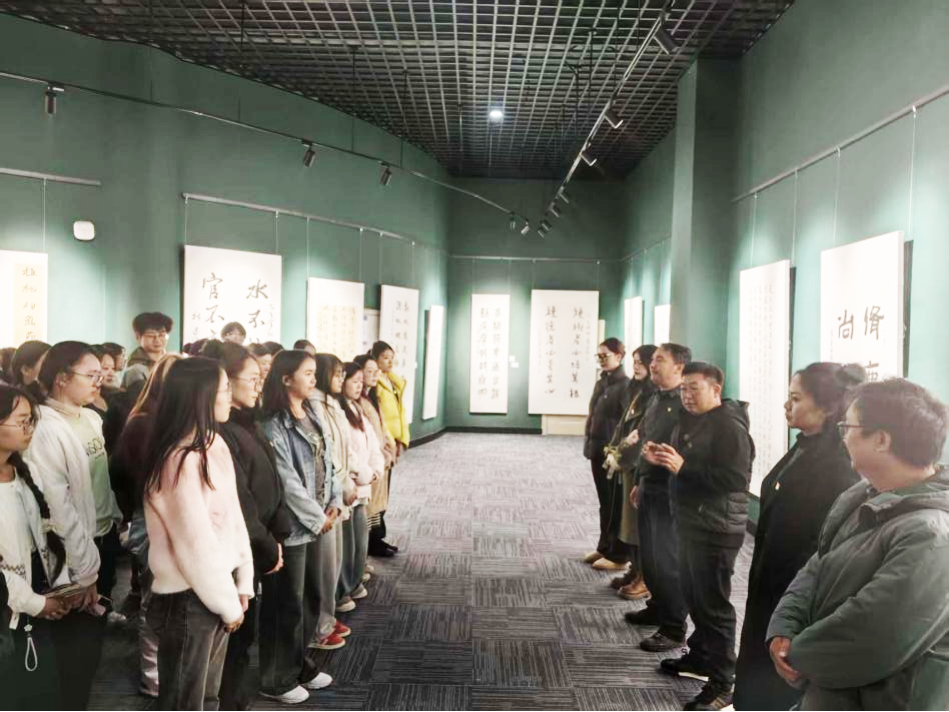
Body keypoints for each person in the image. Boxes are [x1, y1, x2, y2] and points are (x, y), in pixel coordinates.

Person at [768, 378, 949, 710]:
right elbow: (818, 565)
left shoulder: (932, 535)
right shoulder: (862, 494)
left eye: (847, 427)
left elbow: (874, 635)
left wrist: (797, 654)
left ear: (881, 439)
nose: (843, 436)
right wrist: (784, 627)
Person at [733, 363, 863, 710]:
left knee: (777, 682)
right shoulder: (804, 446)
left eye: (796, 398)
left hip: (795, 590)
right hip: (771, 579)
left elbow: (823, 547)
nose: (786, 405)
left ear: (827, 408)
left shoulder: (837, 467)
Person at [142, 357, 253, 711]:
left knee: (207, 697)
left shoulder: (213, 443)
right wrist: (227, 604)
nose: (230, 396)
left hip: (217, 588)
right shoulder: (178, 459)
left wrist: (243, 580)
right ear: (200, 396)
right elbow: (195, 545)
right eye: (224, 389)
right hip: (189, 597)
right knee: (184, 702)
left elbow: (233, 517)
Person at [643, 363, 754, 710]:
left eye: (694, 389)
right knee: (693, 594)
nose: (687, 396)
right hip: (692, 521)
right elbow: (685, 466)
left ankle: (723, 681)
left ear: (715, 390)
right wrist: (661, 461)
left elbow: (735, 479)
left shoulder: (730, 426)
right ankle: (701, 657)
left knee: (713, 605)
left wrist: (683, 468)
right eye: (684, 389)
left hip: (717, 528)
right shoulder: (691, 420)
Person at [25, 341, 116, 707]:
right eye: (91, 375)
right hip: (73, 554)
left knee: (91, 642)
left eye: (100, 375)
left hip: (103, 540)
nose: (99, 382)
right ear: (61, 378)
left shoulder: (91, 418)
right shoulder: (46, 428)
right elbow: (59, 507)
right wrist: (83, 572)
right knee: (74, 651)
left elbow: (98, 483)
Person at [211, 342, 299, 710]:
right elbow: (240, 501)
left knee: (243, 639)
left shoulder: (244, 422)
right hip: (240, 550)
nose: (258, 386)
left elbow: (267, 481)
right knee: (232, 644)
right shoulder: (219, 433)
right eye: (251, 379)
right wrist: (266, 545)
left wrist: (276, 532)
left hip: (257, 544)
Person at [258, 351, 343, 704]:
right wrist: (317, 517)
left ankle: (297, 664)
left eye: (313, 372)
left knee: (312, 597)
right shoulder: (272, 423)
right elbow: (287, 480)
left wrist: (336, 500)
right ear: (285, 378)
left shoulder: (312, 411)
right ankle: (275, 678)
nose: (313, 379)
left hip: (319, 519)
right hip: (294, 526)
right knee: (286, 604)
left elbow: (330, 460)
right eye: (307, 373)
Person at [109, 354, 181, 699]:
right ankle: (153, 677)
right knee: (156, 602)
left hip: (172, 522)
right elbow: (138, 482)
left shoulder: (173, 419)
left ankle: (168, 671)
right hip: (151, 521)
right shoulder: (143, 422)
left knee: (172, 603)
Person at [0, 383, 71, 709]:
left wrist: (58, 589)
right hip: (12, 611)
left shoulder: (22, 472)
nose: (30, 429)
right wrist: (36, 603)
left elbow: (43, 538)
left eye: (32, 421)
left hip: (31, 609)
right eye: (22, 421)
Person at [624, 343, 690, 653]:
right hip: (649, 486)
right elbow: (646, 444)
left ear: (679, 367)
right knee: (650, 557)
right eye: (652, 360)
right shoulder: (655, 397)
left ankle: (674, 628)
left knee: (668, 561)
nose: (652, 364)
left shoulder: (684, 404)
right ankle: (657, 608)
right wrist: (640, 480)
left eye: (659, 360)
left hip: (670, 491)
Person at [603, 344, 657, 600]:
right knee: (627, 525)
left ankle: (643, 577)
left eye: (640, 362)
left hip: (637, 467)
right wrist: (613, 450)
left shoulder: (655, 396)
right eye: (634, 361)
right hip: (626, 465)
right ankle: (634, 569)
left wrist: (622, 458)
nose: (636, 366)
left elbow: (643, 436)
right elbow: (624, 426)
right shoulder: (637, 391)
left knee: (637, 526)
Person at [311, 353, 359, 623]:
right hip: (328, 494)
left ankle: (328, 618)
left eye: (343, 373)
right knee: (325, 565)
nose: (341, 378)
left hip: (338, 492)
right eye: (337, 373)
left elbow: (344, 448)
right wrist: (344, 485)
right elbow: (329, 456)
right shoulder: (315, 406)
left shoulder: (333, 404)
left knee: (335, 560)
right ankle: (322, 623)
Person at [337, 362, 383, 605]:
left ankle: (354, 582)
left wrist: (375, 469)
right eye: (353, 381)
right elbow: (346, 453)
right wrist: (365, 473)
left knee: (360, 540)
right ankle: (343, 588)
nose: (359, 385)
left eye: (360, 381)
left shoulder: (357, 407)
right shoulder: (338, 410)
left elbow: (372, 442)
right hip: (350, 487)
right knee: (347, 543)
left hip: (363, 485)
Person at [583, 338, 631, 571]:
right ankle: (604, 546)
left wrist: (618, 453)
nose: (601, 360)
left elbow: (626, 424)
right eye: (599, 356)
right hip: (597, 448)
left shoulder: (625, 386)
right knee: (605, 502)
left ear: (619, 357)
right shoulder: (602, 382)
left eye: (606, 356)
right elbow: (594, 414)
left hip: (612, 453)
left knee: (614, 504)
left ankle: (616, 554)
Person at [353, 354, 396, 558]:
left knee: (378, 506)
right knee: (369, 508)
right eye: (368, 371)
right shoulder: (358, 401)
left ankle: (377, 541)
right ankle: (371, 546)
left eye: (375, 371)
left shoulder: (371, 396)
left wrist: (389, 447)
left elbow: (381, 426)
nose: (373, 375)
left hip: (380, 459)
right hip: (369, 463)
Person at [370, 341, 409, 555]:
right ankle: (373, 540)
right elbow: (379, 418)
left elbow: (400, 414)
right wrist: (389, 444)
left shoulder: (392, 381)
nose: (390, 361)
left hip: (392, 442)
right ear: (375, 358)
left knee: (384, 493)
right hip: (382, 444)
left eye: (392, 357)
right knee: (377, 494)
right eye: (385, 357)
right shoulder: (375, 383)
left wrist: (401, 440)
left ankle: (379, 537)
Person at [122, 312, 173, 389]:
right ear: (138, 336)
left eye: (162, 335)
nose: (157, 340)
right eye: (151, 335)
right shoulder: (135, 368)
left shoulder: (173, 361)